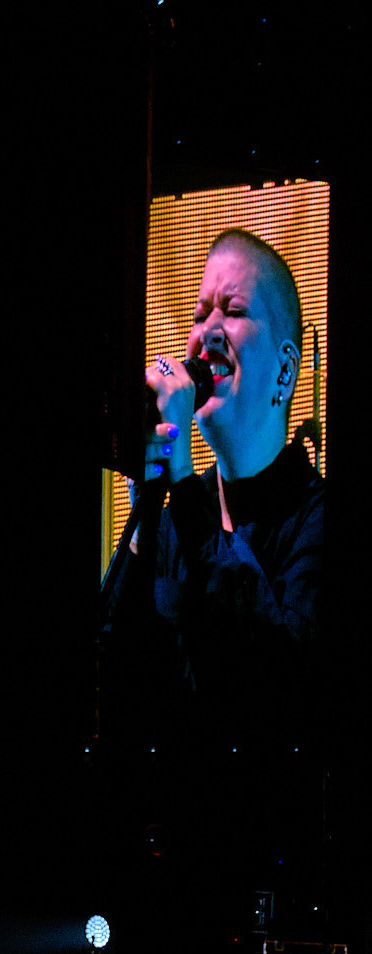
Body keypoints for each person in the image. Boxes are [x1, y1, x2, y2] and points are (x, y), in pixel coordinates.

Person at [106, 229, 324, 730]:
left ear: (287, 370)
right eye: (201, 313)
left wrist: (180, 482)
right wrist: (145, 512)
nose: (208, 329)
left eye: (234, 310)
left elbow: (276, 683)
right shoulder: (172, 518)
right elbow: (113, 678)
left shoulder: (321, 518)